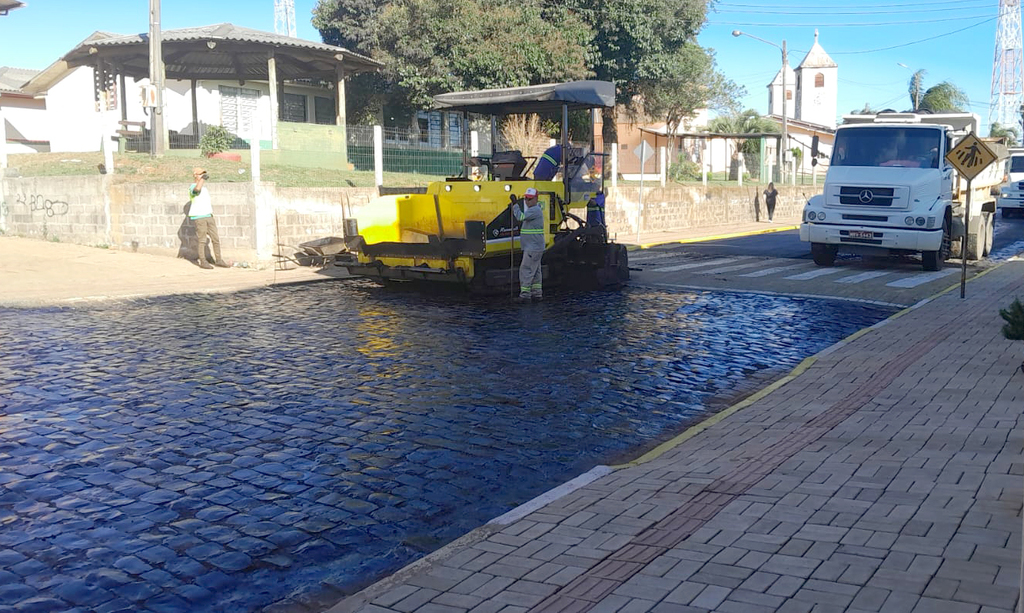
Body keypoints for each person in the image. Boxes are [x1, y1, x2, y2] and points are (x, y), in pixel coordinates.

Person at [188, 167, 229, 269]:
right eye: (201, 174)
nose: (203, 175)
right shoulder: (192, 187)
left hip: (209, 216)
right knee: (202, 240)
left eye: (204, 174)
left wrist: (202, 180)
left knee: (216, 239)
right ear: (195, 175)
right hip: (199, 217)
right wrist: (202, 180)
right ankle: (203, 261)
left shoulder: (205, 189)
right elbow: (197, 190)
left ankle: (219, 260)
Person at [512, 187, 545, 302]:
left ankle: (525, 295)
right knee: (535, 272)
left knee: (526, 270)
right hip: (535, 247)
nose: (527, 201)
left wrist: (515, 205)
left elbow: (520, 217)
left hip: (532, 247)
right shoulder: (534, 210)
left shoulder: (534, 210)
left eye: (530, 199)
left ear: (536, 199)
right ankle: (537, 294)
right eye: (526, 199)